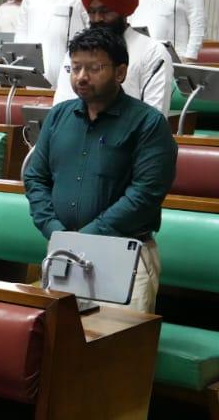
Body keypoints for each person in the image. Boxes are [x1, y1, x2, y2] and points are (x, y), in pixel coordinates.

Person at [24, 26, 176, 313]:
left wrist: (87, 236)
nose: (81, 77)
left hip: (124, 253)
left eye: (94, 68)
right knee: (61, 339)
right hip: (62, 249)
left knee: (116, 341)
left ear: (120, 72)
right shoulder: (58, 116)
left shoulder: (148, 123)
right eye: (75, 67)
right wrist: (54, 229)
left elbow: (145, 193)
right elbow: (35, 178)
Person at [54, 0, 173, 115]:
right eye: (92, 12)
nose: (97, 18)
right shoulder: (78, 50)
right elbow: (61, 106)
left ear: (123, 12)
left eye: (105, 11)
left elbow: (155, 115)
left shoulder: (153, 52)